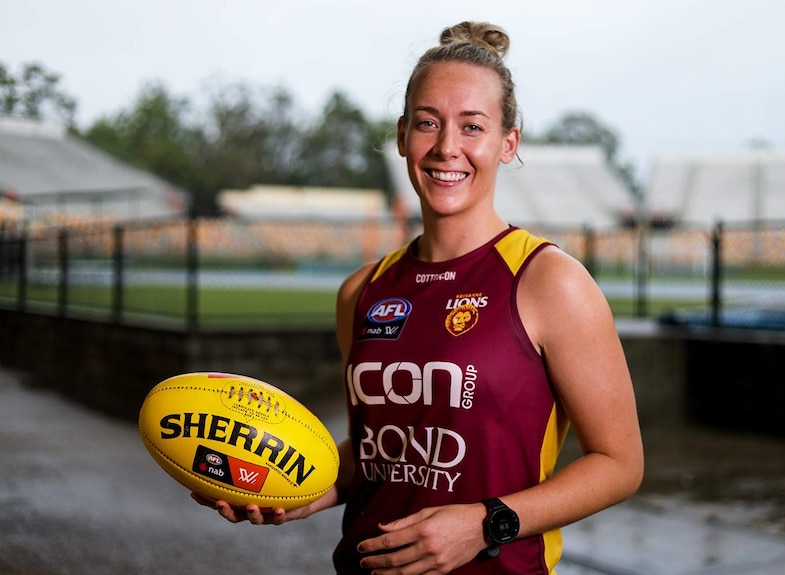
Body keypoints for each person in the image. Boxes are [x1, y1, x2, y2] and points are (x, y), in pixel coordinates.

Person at [194, 20, 644, 574]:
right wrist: (296, 488)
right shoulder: (362, 291)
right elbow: (383, 454)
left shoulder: (549, 281)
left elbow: (620, 464)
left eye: (472, 126)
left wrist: (485, 522)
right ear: (404, 134)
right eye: (428, 123)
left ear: (509, 143)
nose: (446, 147)